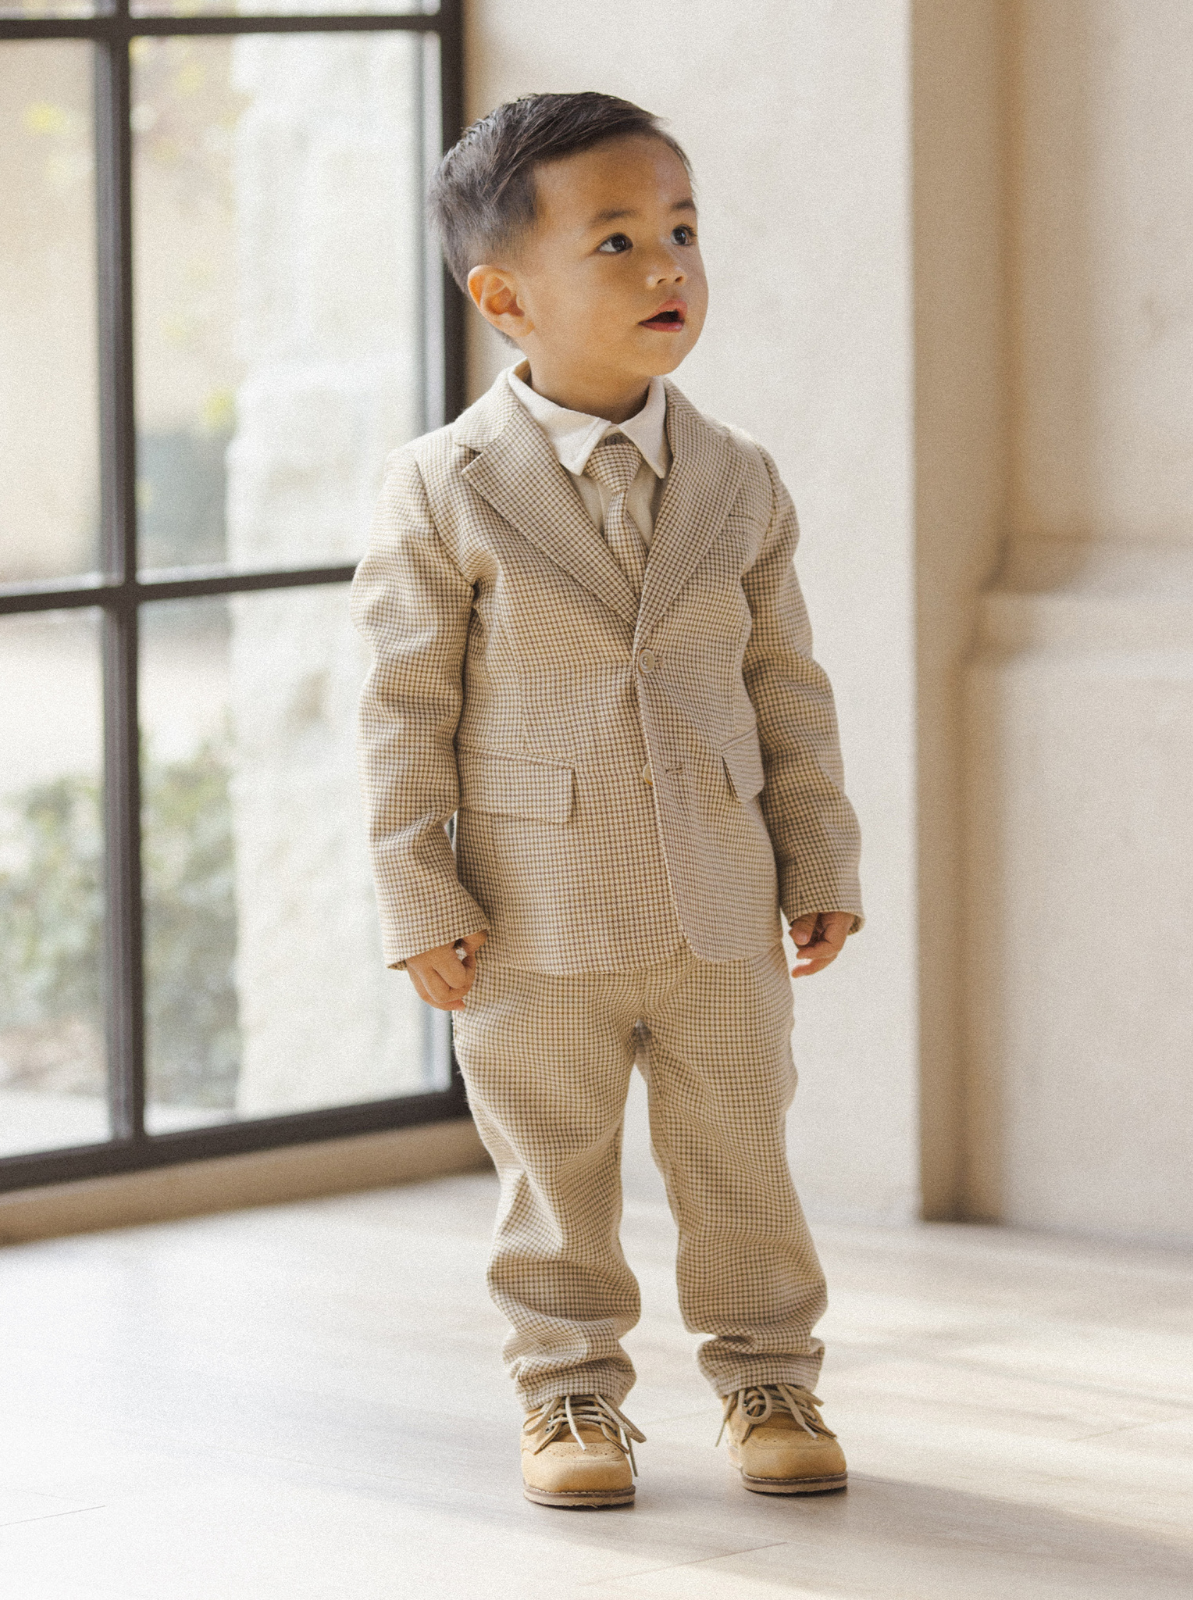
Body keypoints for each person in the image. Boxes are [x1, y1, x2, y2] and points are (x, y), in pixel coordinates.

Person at [351, 92, 863, 1510]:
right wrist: (420, 895)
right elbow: (403, 710)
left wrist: (819, 851)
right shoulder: (438, 490)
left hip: (720, 907)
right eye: (622, 241)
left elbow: (788, 686)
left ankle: (771, 1375)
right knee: (553, 1174)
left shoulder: (739, 479)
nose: (669, 269)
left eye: (684, 232)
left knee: (739, 1160)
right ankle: (568, 1398)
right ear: (505, 298)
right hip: (533, 918)